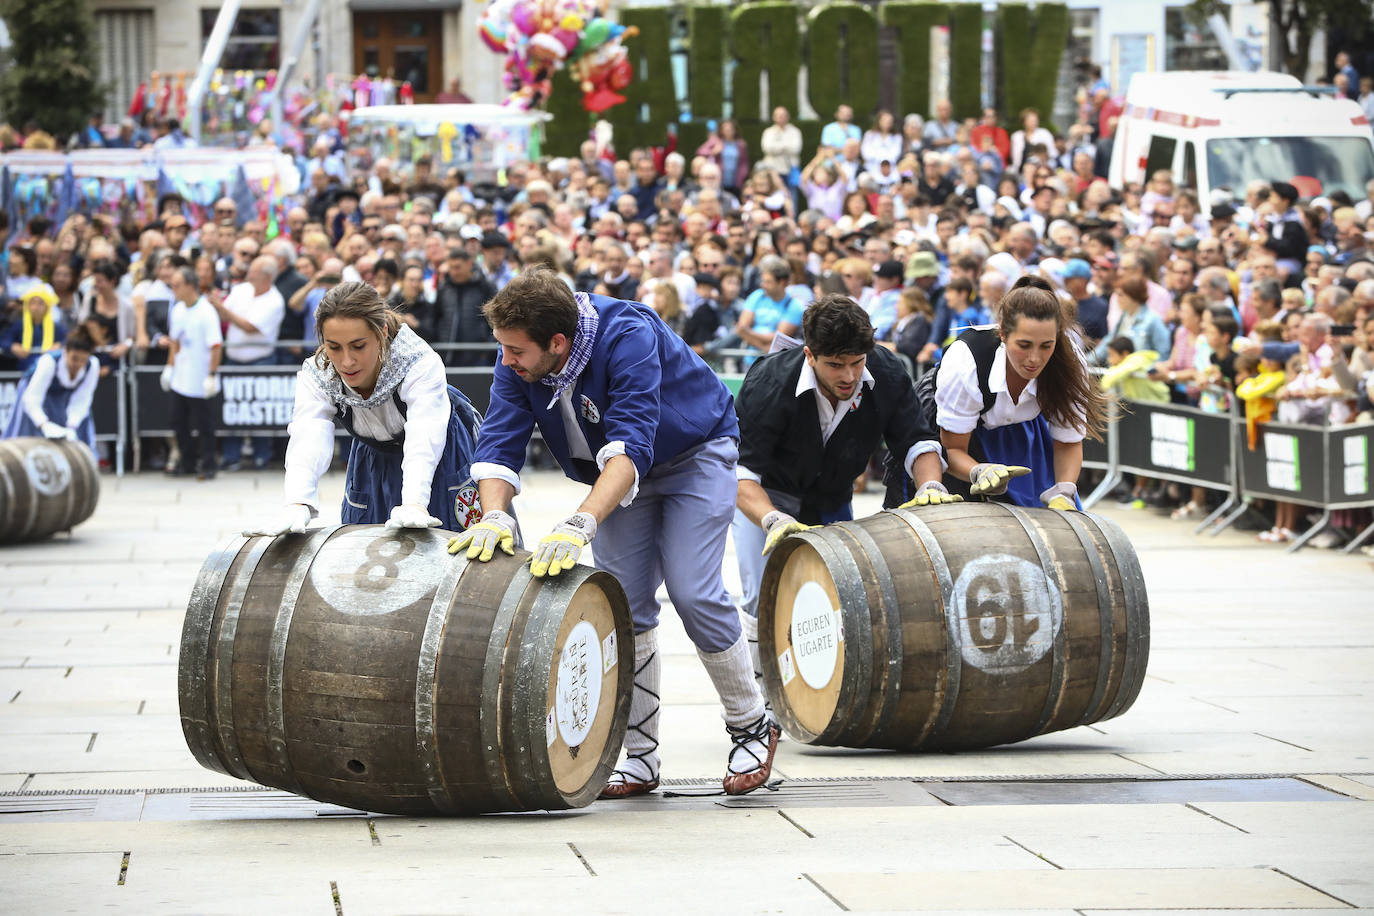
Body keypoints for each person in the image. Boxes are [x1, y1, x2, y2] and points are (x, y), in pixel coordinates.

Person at [449, 270, 777, 798]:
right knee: (624, 605)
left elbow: (632, 443)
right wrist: (493, 517)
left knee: (694, 591)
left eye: (515, 352)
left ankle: (751, 724)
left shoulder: (629, 333)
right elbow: (498, 441)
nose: (506, 361)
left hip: (694, 455)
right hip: (617, 472)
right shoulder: (520, 350)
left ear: (557, 343)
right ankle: (640, 756)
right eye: (502, 350)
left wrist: (581, 522)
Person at [732, 295, 953, 685]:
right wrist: (773, 519)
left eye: (857, 362)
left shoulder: (887, 371)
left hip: (833, 497)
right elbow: (741, 473)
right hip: (768, 496)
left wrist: (931, 485)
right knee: (762, 599)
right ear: (809, 355)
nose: (849, 376)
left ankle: (819, 691)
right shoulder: (768, 381)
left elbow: (917, 441)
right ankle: (759, 704)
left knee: (835, 601)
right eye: (835, 365)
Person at [243, 281, 484, 536]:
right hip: (373, 457)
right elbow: (308, 434)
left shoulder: (418, 360)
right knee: (364, 544)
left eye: (359, 346)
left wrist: (414, 502)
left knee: (447, 539)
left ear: (380, 332)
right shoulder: (317, 373)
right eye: (333, 347)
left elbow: (425, 432)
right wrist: (297, 501)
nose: (346, 361)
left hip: (441, 453)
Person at [930, 276, 1110, 508]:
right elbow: (952, 448)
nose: (1035, 358)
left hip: (1025, 437)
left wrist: (1064, 489)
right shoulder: (966, 361)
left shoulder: (1070, 360)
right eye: (1024, 345)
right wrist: (978, 471)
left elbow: (1068, 443)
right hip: (957, 439)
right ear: (1003, 334)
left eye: (1047, 345)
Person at [217, 255, 286, 471]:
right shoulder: (241, 290)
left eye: (254, 271)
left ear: (266, 276)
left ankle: (261, 456)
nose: (249, 274)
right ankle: (231, 456)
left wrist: (225, 311)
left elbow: (250, 327)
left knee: (260, 411)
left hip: (261, 361)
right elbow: (223, 314)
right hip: (234, 359)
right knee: (232, 411)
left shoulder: (275, 300)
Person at [160, 265, 223, 479]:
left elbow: (216, 345)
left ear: (189, 285)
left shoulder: (206, 311)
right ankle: (187, 462)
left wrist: (211, 375)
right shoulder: (177, 309)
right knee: (177, 421)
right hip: (181, 376)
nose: (173, 289)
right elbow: (175, 341)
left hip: (200, 377)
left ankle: (208, 464)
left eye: (176, 285)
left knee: (205, 424)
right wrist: (169, 367)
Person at [1, 324, 98, 452]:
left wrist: (72, 426)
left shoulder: (92, 365)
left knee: (75, 433)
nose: (78, 364)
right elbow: (32, 398)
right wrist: (44, 424)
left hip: (63, 400)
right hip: (33, 394)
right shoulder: (49, 362)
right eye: (74, 359)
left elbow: (82, 399)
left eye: (82, 360)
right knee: (25, 432)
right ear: (66, 351)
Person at [2, 284, 67, 372]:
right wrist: (12, 346)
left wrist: (60, 345)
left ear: (47, 307)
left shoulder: (56, 327)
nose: (36, 307)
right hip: (24, 369)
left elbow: (68, 340)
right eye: (33, 303)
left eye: (40, 303)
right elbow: (4, 340)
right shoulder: (19, 324)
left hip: (48, 370)